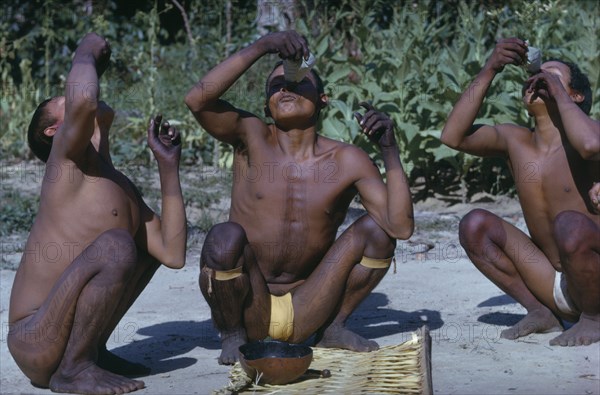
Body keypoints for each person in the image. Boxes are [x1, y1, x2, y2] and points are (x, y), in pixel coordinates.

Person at [185, 30, 414, 365]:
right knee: (223, 237)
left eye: (297, 81)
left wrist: (390, 150)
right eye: (276, 86)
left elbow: (401, 227)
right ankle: (233, 335)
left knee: (378, 232)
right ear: (266, 105)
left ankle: (333, 328)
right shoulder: (251, 136)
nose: (286, 88)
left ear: (322, 99)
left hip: (311, 303)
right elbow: (197, 100)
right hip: (250, 304)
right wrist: (262, 46)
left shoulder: (347, 160)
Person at [7, 33, 187, 394]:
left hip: (62, 334)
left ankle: (90, 353)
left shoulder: (114, 185)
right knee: (116, 245)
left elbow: (172, 252)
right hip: (35, 335)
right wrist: (85, 49)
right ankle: (74, 369)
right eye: (64, 101)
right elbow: (85, 101)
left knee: (136, 247)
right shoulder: (65, 165)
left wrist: (168, 166)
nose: (75, 99)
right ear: (54, 132)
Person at [441, 38, 599, 346]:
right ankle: (541, 311)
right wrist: (491, 67)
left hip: (596, 277)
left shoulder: (590, 134)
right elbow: (452, 136)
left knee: (569, 223)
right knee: (475, 225)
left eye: (552, 76)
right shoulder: (515, 141)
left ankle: (594, 320)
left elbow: (590, 145)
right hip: (553, 280)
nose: (539, 80)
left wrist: (556, 92)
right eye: (536, 77)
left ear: (576, 95)